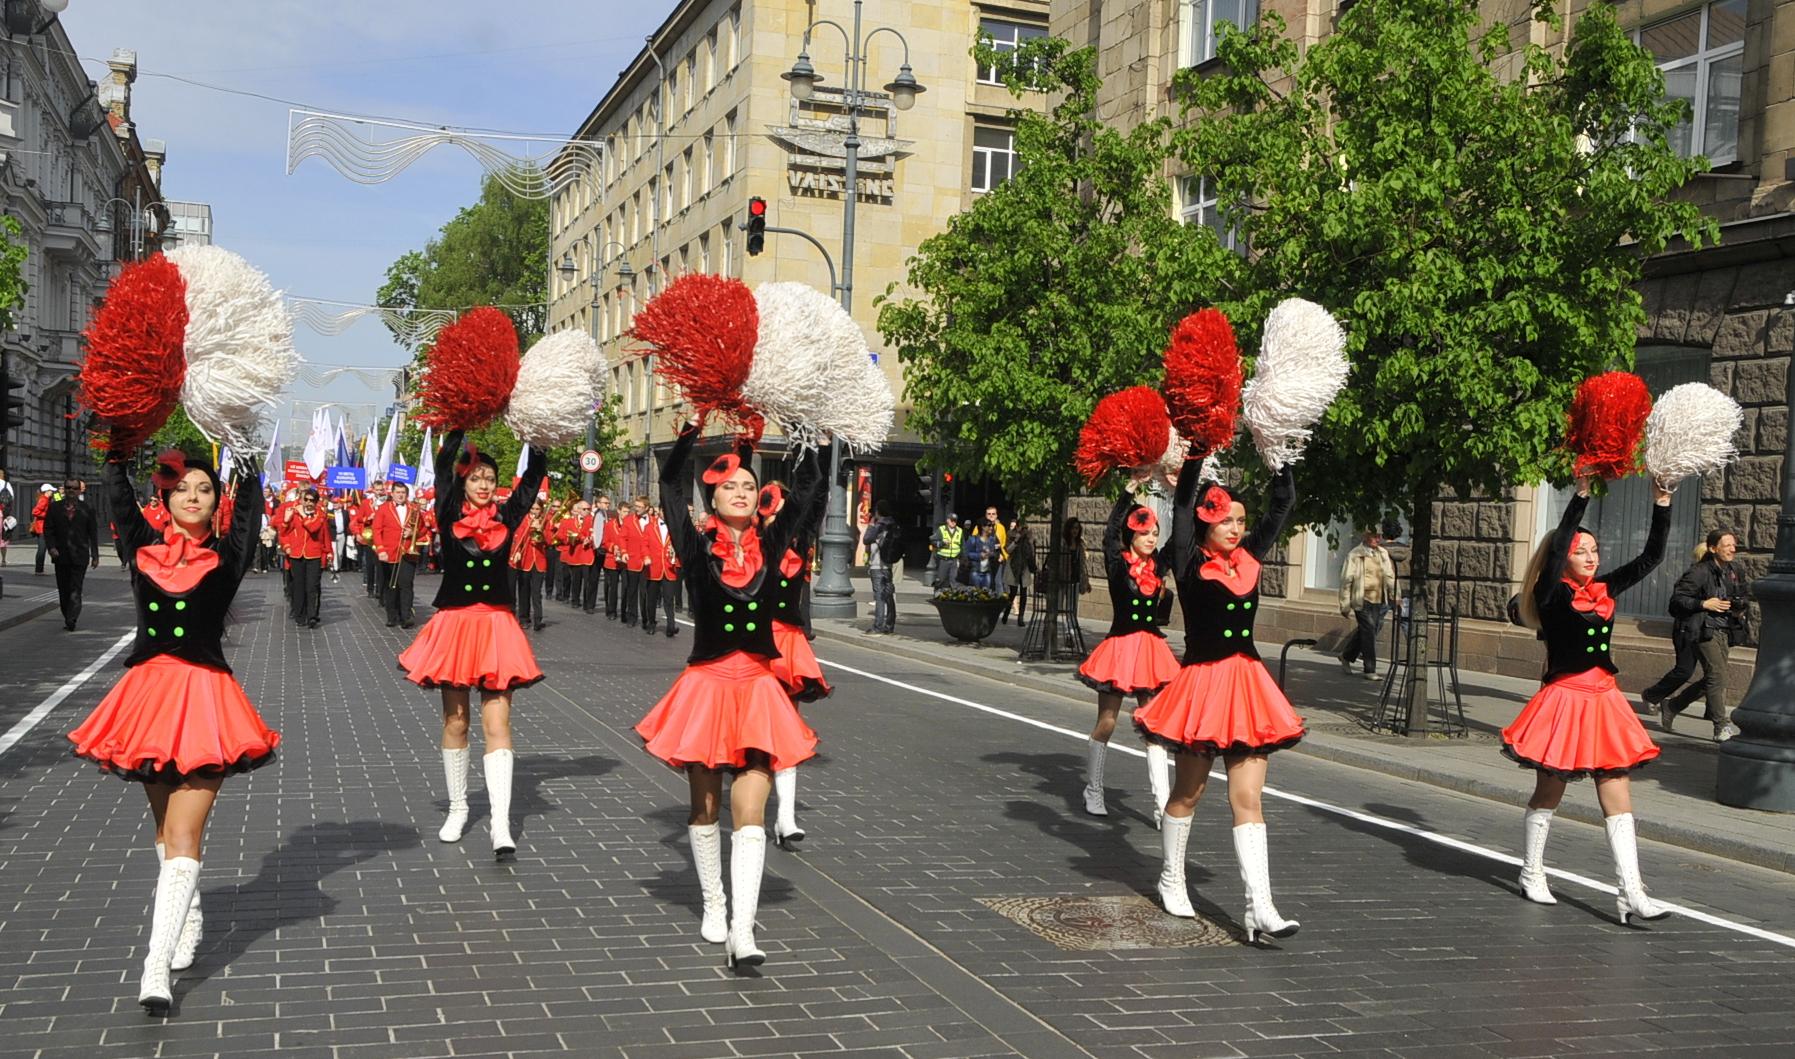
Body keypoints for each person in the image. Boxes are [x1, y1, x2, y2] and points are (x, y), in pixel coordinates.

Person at [67, 450, 276, 1016]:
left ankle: (154, 967)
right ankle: (192, 916)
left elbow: (250, 512)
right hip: (147, 702)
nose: (191, 496)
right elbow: (117, 494)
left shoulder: (228, 556)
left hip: (206, 703)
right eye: (181, 488)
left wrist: (247, 452)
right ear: (164, 497)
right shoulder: (141, 549)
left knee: (184, 834)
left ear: (216, 501)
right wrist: (118, 440)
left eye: (204, 489)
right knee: (164, 828)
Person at [635, 421, 820, 970]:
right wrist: (693, 429)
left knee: (751, 814)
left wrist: (806, 426)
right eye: (730, 485)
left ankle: (743, 929)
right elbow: (669, 488)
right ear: (712, 495)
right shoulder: (696, 546)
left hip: (759, 691)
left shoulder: (773, 540)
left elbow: (808, 489)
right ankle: (713, 902)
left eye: (748, 485)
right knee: (705, 807)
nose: (741, 491)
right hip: (708, 689)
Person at [1131, 461, 1304, 942]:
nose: (1236, 527)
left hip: (1248, 690)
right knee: (1189, 793)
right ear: (1208, 521)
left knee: (1248, 798)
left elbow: (1283, 505)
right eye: (1227, 519)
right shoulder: (1187, 560)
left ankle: (1260, 908)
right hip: (1203, 690)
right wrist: (1194, 455)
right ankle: (1170, 878)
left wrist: (1280, 454)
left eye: (1240, 520)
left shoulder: (1249, 557)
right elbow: (1183, 505)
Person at [1503, 473, 1673, 923]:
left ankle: (1631, 892)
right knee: (1550, 789)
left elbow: (1651, 557)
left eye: (1594, 550)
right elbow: (1557, 546)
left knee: (1617, 792)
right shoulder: (1550, 594)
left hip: (1604, 701)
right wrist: (1579, 497)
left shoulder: (1604, 590)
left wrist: (1662, 502)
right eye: (1582, 551)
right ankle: (1532, 871)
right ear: (1564, 559)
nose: (1590, 557)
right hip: (1564, 702)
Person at [398, 434, 547, 860]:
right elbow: (444, 467)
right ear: (463, 483)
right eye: (476, 477)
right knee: (456, 723)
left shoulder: (508, 514)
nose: (484, 484)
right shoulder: (448, 513)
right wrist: (460, 419)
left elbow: (533, 478)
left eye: (490, 478)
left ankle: (501, 822)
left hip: (497, 628)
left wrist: (536, 432)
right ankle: (459, 808)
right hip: (456, 629)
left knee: (498, 725)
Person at [1077, 485, 1180, 822]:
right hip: (1120, 651)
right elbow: (1109, 533)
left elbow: (1182, 534)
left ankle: (1162, 803)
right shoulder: (1117, 564)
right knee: (1107, 722)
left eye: (1154, 533)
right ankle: (1093, 788)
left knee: (1155, 729)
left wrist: (1180, 490)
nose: (1151, 538)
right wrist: (1126, 492)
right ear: (1131, 535)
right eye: (1144, 533)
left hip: (1150, 653)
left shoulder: (1157, 566)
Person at [761, 469, 830, 849]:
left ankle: (785, 817)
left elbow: (815, 504)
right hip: (755, 643)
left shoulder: (799, 541)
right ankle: (755, 813)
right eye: (770, 507)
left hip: (788, 644)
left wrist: (818, 450)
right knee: (756, 731)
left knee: (787, 728)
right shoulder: (753, 542)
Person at [1642, 530, 1747, 741]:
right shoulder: (1699, 572)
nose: (1732, 549)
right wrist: (1703, 604)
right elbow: (1676, 601)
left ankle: (1672, 705)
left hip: (1725, 630)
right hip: (1702, 631)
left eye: (1733, 545)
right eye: (1727, 545)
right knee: (1717, 676)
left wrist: (1739, 608)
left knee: (1714, 678)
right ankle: (1720, 726)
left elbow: (1743, 596)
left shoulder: (1735, 570)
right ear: (1712, 548)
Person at [1337, 529, 1397, 680]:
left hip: (1378, 599)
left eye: (1380, 536)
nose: (1378, 539)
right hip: (1361, 599)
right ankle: (1370, 669)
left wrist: (1396, 595)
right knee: (1369, 630)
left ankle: (1346, 655)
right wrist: (1345, 604)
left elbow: (1389, 576)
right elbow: (1346, 580)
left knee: (1368, 630)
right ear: (1366, 536)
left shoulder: (1382, 553)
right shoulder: (1355, 554)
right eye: (1374, 536)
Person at [44, 478, 101, 630]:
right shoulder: (54, 507)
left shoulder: (87, 508)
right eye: (68, 487)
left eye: (74, 488)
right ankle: (67, 614)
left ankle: (72, 618)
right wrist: (51, 548)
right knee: (63, 589)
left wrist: (95, 555)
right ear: (64, 488)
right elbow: (48, 530)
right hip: (60, 555)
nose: (70, 490)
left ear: (79, 491)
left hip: (80, 555)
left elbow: (93, 533)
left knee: (76, 588)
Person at [374, 482, 428, 629]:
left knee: (406, 584)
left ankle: (406, 616)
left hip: (408, 552)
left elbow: (423, 529)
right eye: (397, 492)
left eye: (403, 492)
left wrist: (413, 533)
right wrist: (381, 550)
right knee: (391, 585)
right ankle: (392, 616)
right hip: (389, 552)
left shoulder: (414, 509)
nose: (400, 495)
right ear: (392, 493)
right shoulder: (383, 509)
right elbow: (376, 530)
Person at [284, 489, 332, 629]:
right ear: (302, 500)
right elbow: (284, 531)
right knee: (298, 586)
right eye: (306, 500)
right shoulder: (294, 513)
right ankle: (300, 615)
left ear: (316, 502)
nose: (309, 503)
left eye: (312, 500)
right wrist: (286, 520)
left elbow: (315, 529)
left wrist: (329, 552)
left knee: (312, 586)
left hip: (314, 555)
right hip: (297, 554)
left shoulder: (320, 515)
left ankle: (312, 616)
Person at [510, 497, 552, 632]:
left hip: (539, 561)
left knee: (536, 591)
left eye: (537, 509)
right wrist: (516, 552)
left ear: (541, 510)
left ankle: (538, 620)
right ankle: (524, 618)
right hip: (526, 559)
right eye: (533, 509)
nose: (535, 511)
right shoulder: (524, 521)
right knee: (524, 590)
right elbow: (518, 538)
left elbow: (550, 541)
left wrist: (541, 531)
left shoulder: (546, 521)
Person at [861, 500, 899, 634]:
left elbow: (866, 539)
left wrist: (871, 524)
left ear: (878, 511)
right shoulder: (893, 524)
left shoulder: (879, 525)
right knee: (888, 594)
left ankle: (878, 626)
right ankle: (890, 625)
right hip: (888, 564)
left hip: (877, 564)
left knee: (879, 596)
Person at [554, 499, 597, 611]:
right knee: (576, 579)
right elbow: (559, 536)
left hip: (588, 554)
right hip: (575, 554)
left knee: (588, 581)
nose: (587, 511)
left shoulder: (593, 521)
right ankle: (575, 600)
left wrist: (591, 540)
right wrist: (570, 539)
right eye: (584, 509)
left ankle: (588, 605)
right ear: (578, 510)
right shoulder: (567, 522)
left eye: (589, 509)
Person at [1001, 517, 1036, 625]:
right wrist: (1016, 540)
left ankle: (1021, 617)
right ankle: (1006, 613)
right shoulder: (1011, 533)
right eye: (1021, 526)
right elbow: (1008, 550)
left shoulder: (1028, 535)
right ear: (1017, 525)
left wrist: (1030, 540)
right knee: (1013, 592)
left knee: (1024, 593)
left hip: (1024, 566)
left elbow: (1032, 552)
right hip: (1013, 566)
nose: (1023, 529)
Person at [929, 513, 962, 589]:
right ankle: (937, 594)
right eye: (952, 520)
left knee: (953, 580)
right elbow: (933, 541)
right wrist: (942, 543)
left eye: (955, 521)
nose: (953, 522)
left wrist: (962, 558)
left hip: (954, 560)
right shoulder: (942, 529)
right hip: (944, 559)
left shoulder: (959, 531)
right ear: (948, 520)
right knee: (941, 579)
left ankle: (951, 597)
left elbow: (962, 546)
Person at [983, 505, 1009, 596]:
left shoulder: (1001, 528)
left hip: (998, 559)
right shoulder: (980, 527)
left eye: (993, 514)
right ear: (986, 516)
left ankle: (999, 605)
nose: (991, 516)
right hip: (985, 560)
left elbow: (1004, 544)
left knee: (999, 583)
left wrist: (1003, 556)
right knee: (987, 583)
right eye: (989, 514)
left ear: (996, 515)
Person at [963, 522, 994, 589]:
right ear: (983, 527)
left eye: (992, 526)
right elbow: (966, 553)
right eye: (989, 525)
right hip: (975, 572)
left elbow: (994, 554)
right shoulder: (972, 539)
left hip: (987, 572)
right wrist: (979, 555)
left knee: (987, 595)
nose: (991, 527)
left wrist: (990, 553)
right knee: (976, 595)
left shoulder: (992, 540)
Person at [33, 482, 53, 573]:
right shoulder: (44, 500)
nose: (52, 493)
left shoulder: (45, 499)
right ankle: (39, 569)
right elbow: (35, 511)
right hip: (42, 527)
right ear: (47, 491)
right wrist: (47, 515)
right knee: (42, 549)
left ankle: (39, 569)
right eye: (51, 491)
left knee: (43, 548)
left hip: (42, 527)